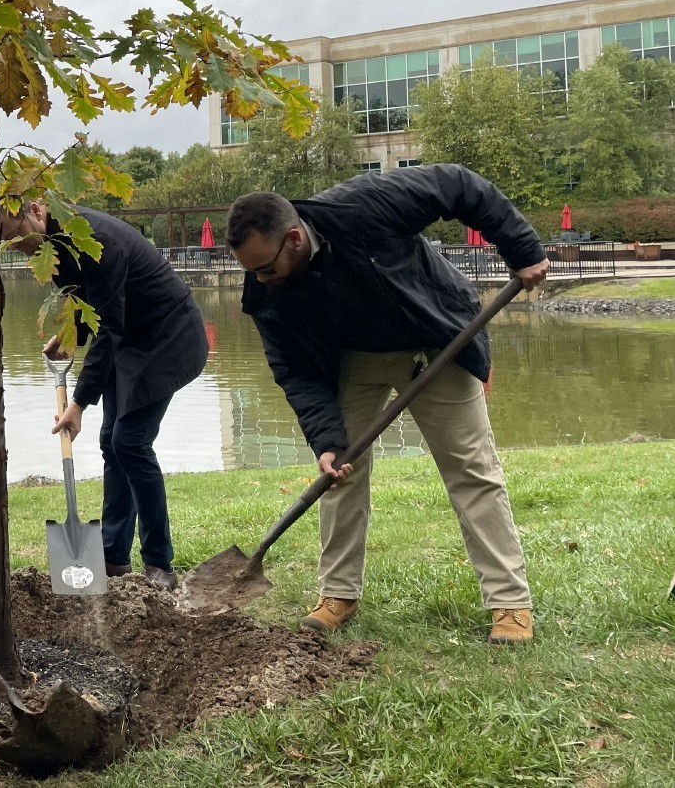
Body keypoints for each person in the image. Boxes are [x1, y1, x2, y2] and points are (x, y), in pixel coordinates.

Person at [225, 164, 550, 646]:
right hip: (352, 362)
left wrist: (521, 250)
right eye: (251, 271)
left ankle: (509, 603)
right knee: (338, 473)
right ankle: (339, 594)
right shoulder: (266, 294)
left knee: (472, 469)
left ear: (294, 238)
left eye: (266, 268)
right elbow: (295, 371)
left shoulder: (362, 204)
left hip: (433, 343)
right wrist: (327, 440)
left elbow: (459, 186)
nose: (261, 280)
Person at [0, 200, 209, 590]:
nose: (16, 246)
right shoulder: (55, 246)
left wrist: (78, 404)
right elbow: (89, 303)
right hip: (131, 340)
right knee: (113, 443)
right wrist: (70, 333)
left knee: (130, 442)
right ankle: (114, 555)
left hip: (169, 337)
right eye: (6, 242)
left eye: (15, 235)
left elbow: (108, 327)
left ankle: (159, 563)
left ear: (35, 209)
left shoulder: (96, 240)